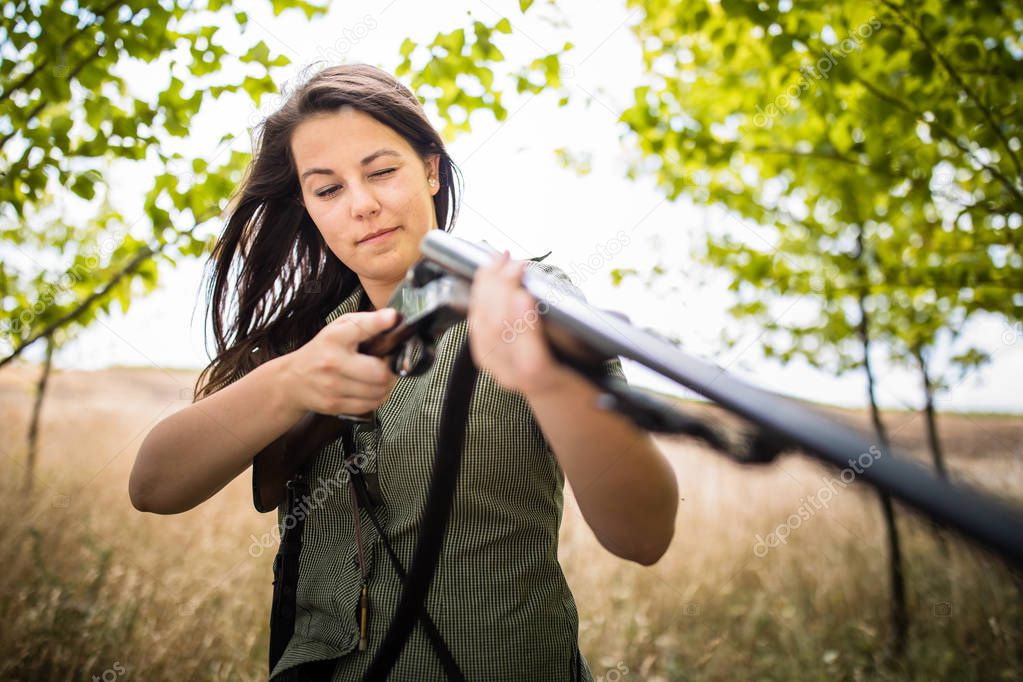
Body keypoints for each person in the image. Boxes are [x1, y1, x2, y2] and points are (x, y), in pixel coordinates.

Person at [129, 63, 678, 681]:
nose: (362, 205)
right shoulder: (304, 340)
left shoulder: (526, 302)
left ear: (432, 170)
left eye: (381, 171)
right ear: (307, 206)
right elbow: (153, 488)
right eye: (328, 189)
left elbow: (643, 535)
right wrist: (291, 382)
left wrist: (549, 380)